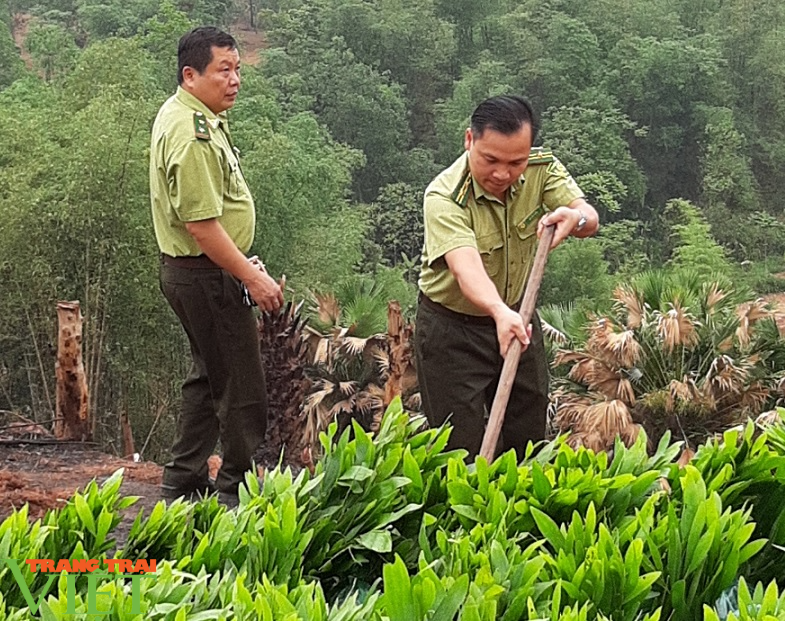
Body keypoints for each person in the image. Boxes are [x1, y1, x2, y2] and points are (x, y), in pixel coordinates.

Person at [414, 95, 599, 460]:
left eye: (516, 162)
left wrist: (574, 219)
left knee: (529, 439)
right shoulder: (444, 196)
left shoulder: (542, 169)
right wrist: (499, 311)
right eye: (490, 160)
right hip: (453, 331)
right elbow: (465, 267)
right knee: (457, 450)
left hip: (519, 317)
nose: (502, 173)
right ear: (470, 140)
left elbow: (587, 215)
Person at [150, 26, 284, 504]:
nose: (235, 80)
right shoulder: (192, 134)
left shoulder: (190, 114)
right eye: (223, 70)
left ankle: (182, 483)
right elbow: (201, 227)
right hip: (207, 277)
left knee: (209, 379)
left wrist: (239, 258)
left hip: (200, 272)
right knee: (244, 392)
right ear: (191, 75)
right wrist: (250, 276)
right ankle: (235, 494)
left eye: (238, 69)